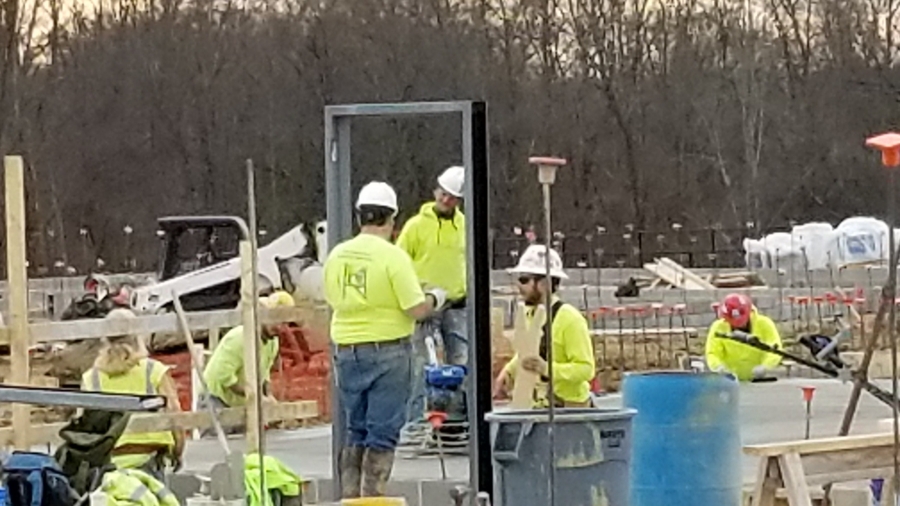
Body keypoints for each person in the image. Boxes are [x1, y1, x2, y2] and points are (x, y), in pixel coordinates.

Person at [324, 181, 446, 499]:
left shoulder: (337, 255)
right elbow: (416, 308)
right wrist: (436, 297)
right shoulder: (393, 258)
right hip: (388, 351)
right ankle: (373, 497)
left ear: (359, 216)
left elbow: (330, 297)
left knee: (356, 429)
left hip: (346, 351)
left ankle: (350, 498)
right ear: (392, 220)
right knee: (382, 433)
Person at [395, 165, 468, 435]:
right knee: (421, 367)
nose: (446, 199)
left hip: (456, 304)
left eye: (452, 196)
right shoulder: (416, 226)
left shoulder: (464, 227)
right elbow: (398, 262)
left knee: (461, 362)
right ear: (436, 190)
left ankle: (457, 422)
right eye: (443, 193)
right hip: (424, 305)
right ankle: (416, 425)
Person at [81, 308, 184, 480]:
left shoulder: (91, 378)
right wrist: (178, 452)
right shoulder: (154, 370)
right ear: (137, 336)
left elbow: (83, 430)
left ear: (104, 338)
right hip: (149, 460)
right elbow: (175, 417)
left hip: (108, 466)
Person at [493, 245, 596, 408]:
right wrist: (509, 371)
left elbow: (586, 369)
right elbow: (528, 353)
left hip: (570, 411)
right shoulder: (530, 314)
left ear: (545, 283)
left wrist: (547, 369)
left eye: (524, 279)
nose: (519, 286)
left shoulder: (570, 319)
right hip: (538, 406)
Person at [201, 290, 296, 414]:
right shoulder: (240, 338)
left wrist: (268, 395)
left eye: (284, 323)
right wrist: (256, 397)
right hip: (216, 401)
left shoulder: (272, 343)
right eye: (275, 320)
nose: (279, 327)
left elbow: (264, 372)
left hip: (240, 403)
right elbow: (224, 377)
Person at [705, 293, 783, 381]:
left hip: (758, 381)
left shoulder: (764, 324)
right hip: (732, 382)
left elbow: (776, 348)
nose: (739, 325)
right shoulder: (718, 328)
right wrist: (718, 367)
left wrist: (765, 366)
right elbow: (712, 353)